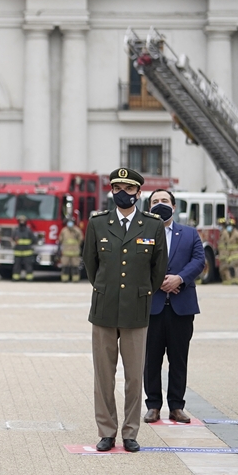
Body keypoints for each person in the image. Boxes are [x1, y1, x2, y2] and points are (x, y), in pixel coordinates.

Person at [81, 168, 167, 453]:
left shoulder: (152, 225)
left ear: (138, 193)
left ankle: (130, 432)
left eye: (129, 189)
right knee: (103, 375)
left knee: (133, 377)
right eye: (117, 187)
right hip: (104, 309)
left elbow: (158, 270)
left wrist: (141, 293)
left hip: (136, 310)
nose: (122, 193)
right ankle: (106, 431)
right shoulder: (98, 223)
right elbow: (91, 266)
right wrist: (107, 289)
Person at [143, 189, 205, 425]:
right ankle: (153, 405)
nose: (160, 204)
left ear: (174, 206)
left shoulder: (189, 234)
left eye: (164, 201)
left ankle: (177, 406)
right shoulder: (142, 234)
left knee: (179, 358)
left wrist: (179, 278)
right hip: (152, 307)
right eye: (155, 201)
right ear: (149, 208)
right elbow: (137, 264)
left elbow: (199, 260)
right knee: (151, 359)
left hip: (182, 307)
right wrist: (160, 281)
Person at [218, 217, 238, 285]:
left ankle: (236, 281)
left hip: (236, 254)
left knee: (234, 268)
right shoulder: (227, 233)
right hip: (229, 254)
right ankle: (231, 280)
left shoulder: (237, 234)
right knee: (230, 268)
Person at [11, 215, 36, 281]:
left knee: (28, 266)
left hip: (27, 252)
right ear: (18, 221)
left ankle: (29, 278)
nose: (22, 222)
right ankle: (16, 278)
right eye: (20, 221)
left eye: (23, 221)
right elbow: (13, 239)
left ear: (25, 222)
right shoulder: (15, 231)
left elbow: (34, 240)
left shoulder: (29, 231)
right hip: (18, 252)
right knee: (16, 266)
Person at [59, 217, 84, 282]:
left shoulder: (77, 231)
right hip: (66, 253)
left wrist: (76, 245)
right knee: (65, 267)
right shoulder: (64, 231)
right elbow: (60, 239)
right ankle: (64, 279)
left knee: (75, 267)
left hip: (75, 252)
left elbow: (81, 239)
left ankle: (75, 280)